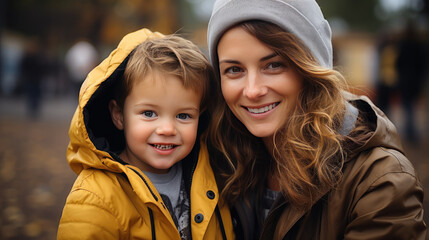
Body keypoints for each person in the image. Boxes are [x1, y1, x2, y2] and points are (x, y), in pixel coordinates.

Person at [206, 0, 427, 239]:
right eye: (234, 70)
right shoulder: (219, 161)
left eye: (273, 65)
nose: (252, 90)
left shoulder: (379, 181)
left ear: (311, 69)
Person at [57, 28, 234, 240]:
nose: (167, 129)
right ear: (119, 116)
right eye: (149, 113)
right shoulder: (96, 198)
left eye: (184, 116)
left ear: (201, 117)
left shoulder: (213, 177)